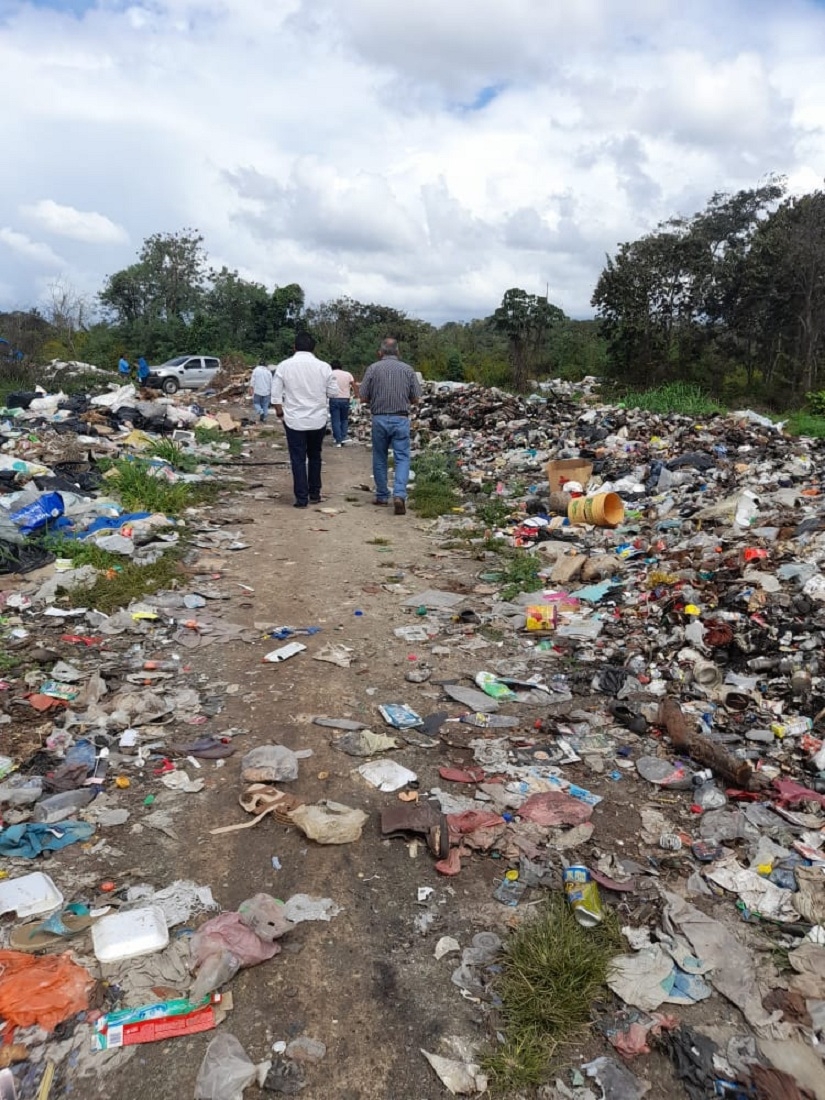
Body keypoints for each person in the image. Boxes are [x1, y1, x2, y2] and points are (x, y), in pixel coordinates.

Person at [272, 333, 338, 508]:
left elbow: (275, 396)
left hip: (294, 420)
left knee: (298, 458)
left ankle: (301, 499)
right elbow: (333, 392)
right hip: (318, 419)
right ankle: (315, 493)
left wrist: (280, 414)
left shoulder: (284, 366)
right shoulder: (324, 367)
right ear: (313, 348)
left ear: (294, 347)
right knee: (315, 456)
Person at [359, 337, 421, 515]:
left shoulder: (373, 369)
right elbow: (416, 398)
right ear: (398, 352)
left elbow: (362, 397)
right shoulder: (408, 370)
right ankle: (400, 494)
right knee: (402, 458)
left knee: (380, 457)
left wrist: (376, 398)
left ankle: (382, 495)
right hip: (400, 419)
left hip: (379, 418)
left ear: (380, 353)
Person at [329, 359, 358, 445]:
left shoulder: (329, 374)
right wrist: (357, 394)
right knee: (344, 419)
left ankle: (338, 439)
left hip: (334, 398)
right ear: (341, 366)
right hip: (345, 399)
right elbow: (354, 384)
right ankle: (343, 436)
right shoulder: (347, 374)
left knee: (335, 420)